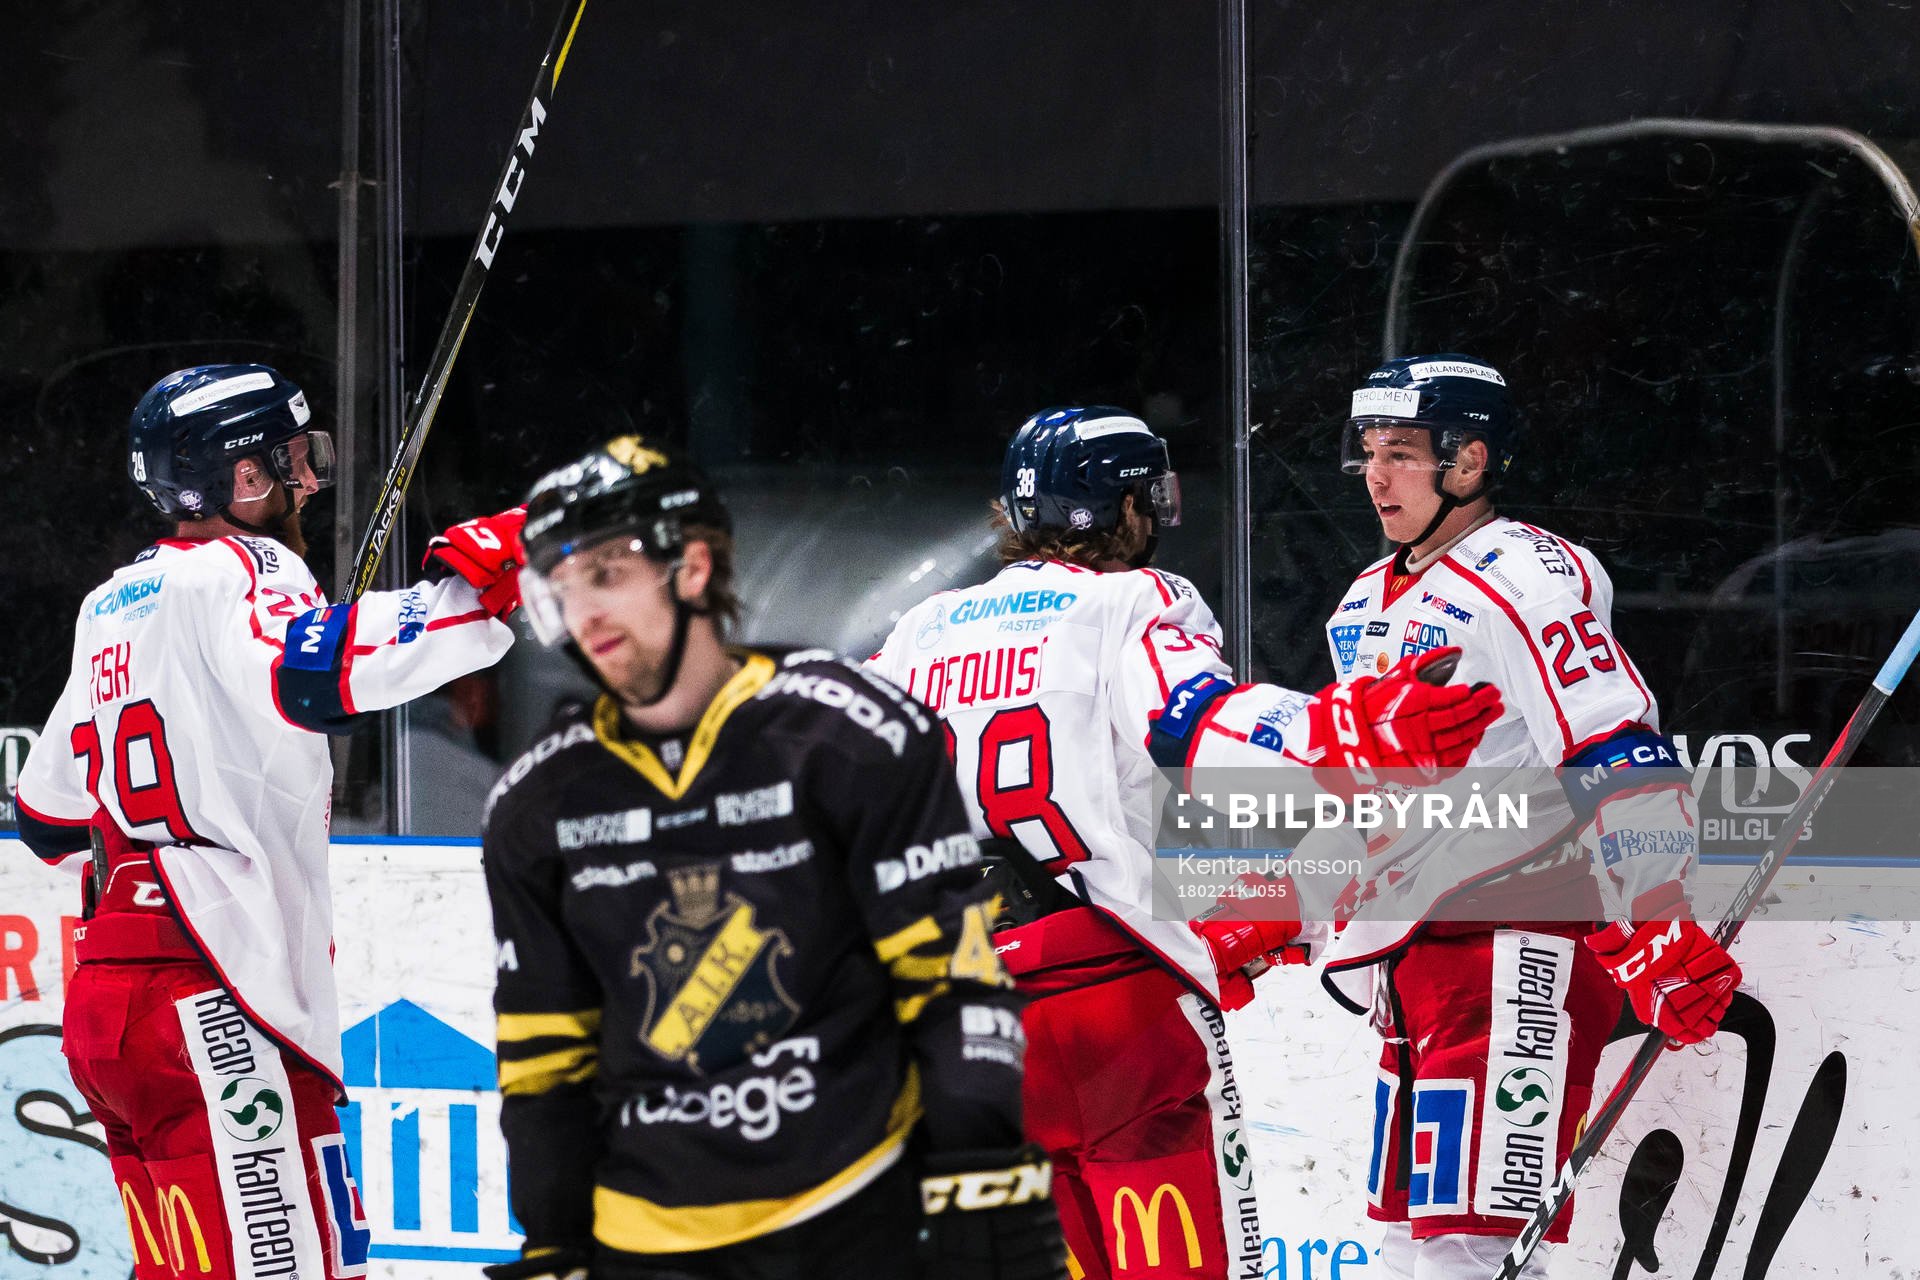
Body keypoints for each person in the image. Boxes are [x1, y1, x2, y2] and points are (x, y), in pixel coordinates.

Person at [865, 406, 1505, 1280]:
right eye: (1148, 497)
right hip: (1112, 1005)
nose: (1158, 518)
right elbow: (1194, 723)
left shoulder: (918, 631)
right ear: (1117, 507)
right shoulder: (1134, 598)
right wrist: (1344, 730)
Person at [1159, 356, 1741, 1280]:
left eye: (1401, 453)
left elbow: (1613, 748)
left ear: (1469, 464)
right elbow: (1367, 804)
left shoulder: (1527, 572)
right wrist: (1280, 911)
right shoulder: (1363, 603)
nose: (1377, 476)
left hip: (1516, 943)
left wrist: (1656, 916)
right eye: (1368, 453)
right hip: (1417, 958)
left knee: (1471, 1250)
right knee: (1411, 1247)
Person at [480, 435, 1061, 1280]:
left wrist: (979, 1167)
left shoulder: (846, 731)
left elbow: (949, 979)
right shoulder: (536, 803)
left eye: (606, 574)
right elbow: (543, 1057)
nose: (584, 614)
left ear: (692, 566)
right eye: (562, 588)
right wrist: (554, 1241)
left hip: (854, 1215)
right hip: (648, 1247)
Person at [11, 363, 523, 1280]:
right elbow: (312, 671)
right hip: (216, 991)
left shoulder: (107, 607)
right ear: (242, 481)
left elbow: (46, 816)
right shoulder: (246, 567)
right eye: (295, 458)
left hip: (108, 1005)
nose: (310, 481)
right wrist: (474, 593)